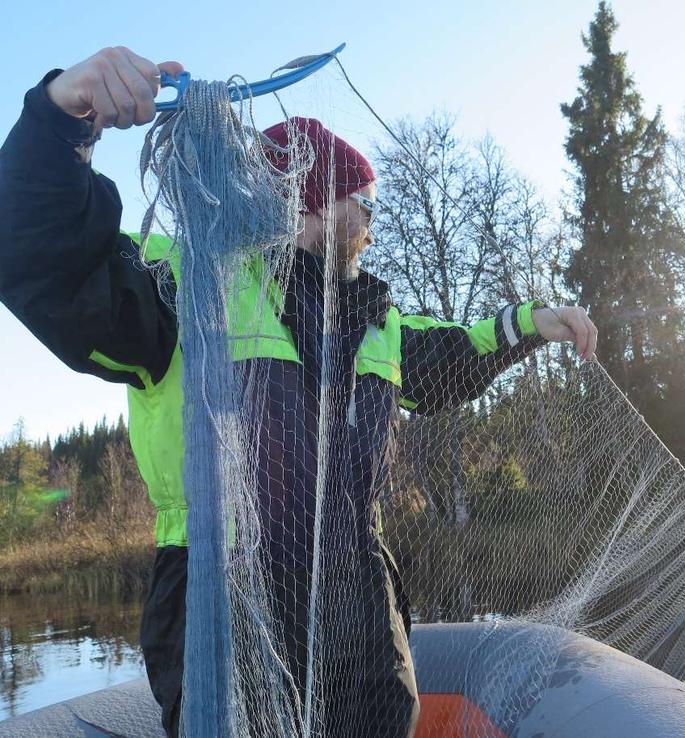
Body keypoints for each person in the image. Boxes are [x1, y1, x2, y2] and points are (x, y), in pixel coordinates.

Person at [0, 47, 598, 737]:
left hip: (360, 597)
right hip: (224, 595)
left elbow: (447, 359)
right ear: (313, 201)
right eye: (364, 201)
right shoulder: (189, 282)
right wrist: (57, 120)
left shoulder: (370, 315)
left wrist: (529, 326)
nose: (372, 224)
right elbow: (41, 258)